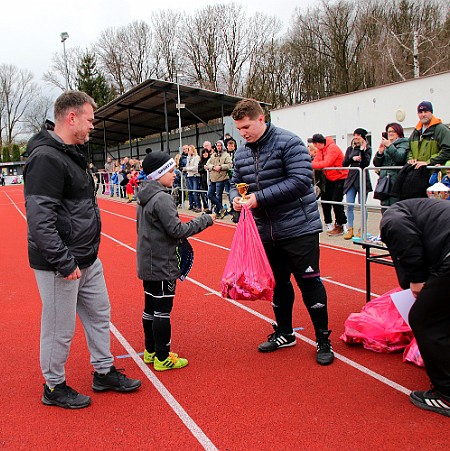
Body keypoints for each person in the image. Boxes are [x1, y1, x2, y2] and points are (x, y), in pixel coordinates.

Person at [23, 90, 141, 409]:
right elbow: (40, 219)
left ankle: (103, 372)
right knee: (60, 328)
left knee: (99, 314)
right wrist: (63, 261)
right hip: (61, 263)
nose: (93, 126)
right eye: (90, 119)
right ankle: (54, 386)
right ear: (71, 117)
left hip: (87, 257)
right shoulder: (46, 158)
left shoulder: (71, 151)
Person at [230, 99, 334, 365]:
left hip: (298, 226)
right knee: (278, 283)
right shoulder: (241, 153)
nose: (243, 133)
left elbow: (301, 181)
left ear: (261, 119)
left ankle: (323, 339)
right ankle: (285, 333)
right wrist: (235, 198)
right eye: (239, 129)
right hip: (265, 231)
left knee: (309, 282)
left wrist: (258, 198)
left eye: (246, 127)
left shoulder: (289, 142)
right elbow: (235, 182)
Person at [136, 149, 215, 371]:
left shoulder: (144, 195)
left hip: (148, 261)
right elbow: (177, 230)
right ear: (159, 174)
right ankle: (163, 357)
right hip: (162, 262)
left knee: (149, 307)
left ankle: (150, 351)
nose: (174, 174)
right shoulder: (162, 198)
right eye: (170, 171)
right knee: (162, 310)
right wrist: (205, 220)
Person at [380, 198, 450, 418]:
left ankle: (446, 395)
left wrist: (417, 278)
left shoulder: (392, 216)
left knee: (424, 319)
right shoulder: (426, 211)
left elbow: (403, 234)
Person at [311, 134, 348, 236]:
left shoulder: (332, 148)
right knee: (326, 199)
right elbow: (317, 161)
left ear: (317, 143)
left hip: (340, 177)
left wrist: (310, 165)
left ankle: (341, 224)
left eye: (314, 145)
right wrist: (314, 164)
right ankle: (330, 223)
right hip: (329, 178)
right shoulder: (321, 150)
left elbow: (327, 162)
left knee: (336, 201)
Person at [343, 128, 373, 239]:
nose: (356, 137)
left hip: (362, 179)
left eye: (358, 135)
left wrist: (362, 151)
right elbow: (344, 163)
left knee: (362, 205)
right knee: (349, 205)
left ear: (363, 138)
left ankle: (362, 229)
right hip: (351, 179)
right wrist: (352, 158)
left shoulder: (368, 149)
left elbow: (365, 163)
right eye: (355, 135)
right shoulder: (350, 149)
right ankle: (350, 229)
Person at [373, 123, 409, 212]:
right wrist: (380, 153)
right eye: (389, 131)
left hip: (396, 182)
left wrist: (389, 146)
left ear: (398, 132)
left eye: (393, 131)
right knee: (384, 208)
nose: (390, 133)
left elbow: (399, 158)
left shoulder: (404, 143)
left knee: (395, 208)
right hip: (385, 182)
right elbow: (376, 163)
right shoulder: (386, 145)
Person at [407, 101, 450, 169]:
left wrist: (429, 162)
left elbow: (448, 150)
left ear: (431, 113)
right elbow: (408, 150)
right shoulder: (416, 131)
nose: (423, 114)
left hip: (435, 173)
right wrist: (411, 159)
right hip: (419, 173)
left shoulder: (441, 129)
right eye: (420, 112)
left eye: (426, 111)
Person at [205, 140, 232, 219]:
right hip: (212, 178)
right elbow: (207, 164)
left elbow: (229, 165)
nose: (218, 147)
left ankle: (218, 212)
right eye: (217, 146)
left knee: (218, 195)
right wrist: (213, 167)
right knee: (209, 195)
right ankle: (221, 208)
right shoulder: (213, 155)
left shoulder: (226, 155)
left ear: (222, 146)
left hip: (221, 178)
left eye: (220, 145)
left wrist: (221, 167)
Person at [185, 145, 202, 212]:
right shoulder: (188, 158)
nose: (189, 151)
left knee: (195, 192)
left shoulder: (196, 157)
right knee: (191, 192)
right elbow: (187, 166)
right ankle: (194, 205)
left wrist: (188, 169)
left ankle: (198, 206)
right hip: (189, 175)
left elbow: (195, 167)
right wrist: (188, 157)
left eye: (190, 150)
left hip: (195, 175)